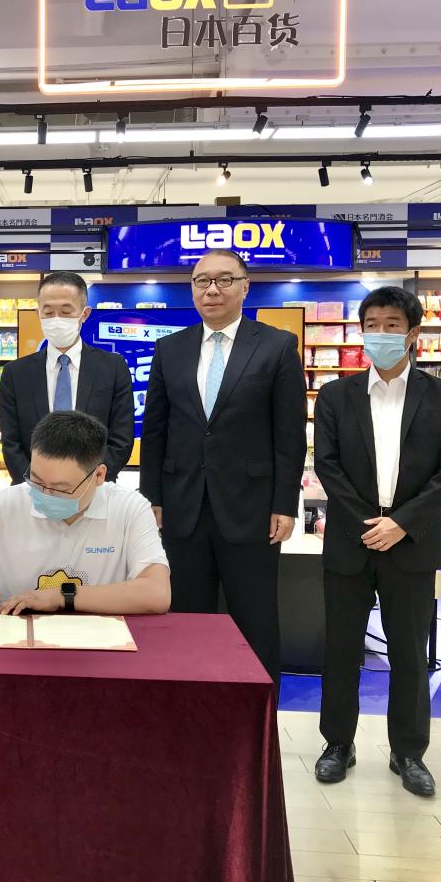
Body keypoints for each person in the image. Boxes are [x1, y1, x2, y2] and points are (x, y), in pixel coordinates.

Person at [312, 286, 441, 798]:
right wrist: (368, 522)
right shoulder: (336, 395)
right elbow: (327, 466)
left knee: (409, 652)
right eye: (372, 325)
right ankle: (338, 744)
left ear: (413, 333)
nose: (380, 333)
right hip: (350, 541)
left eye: (392, 325)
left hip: (411, 541)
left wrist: (400, 522)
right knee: (340, 649)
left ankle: (409, 752)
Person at [138, 249, 306, 688]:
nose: (212, 289)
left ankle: (259, 712)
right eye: (202, 281)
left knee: (255, 620)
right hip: (182, 507)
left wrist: (285, 504)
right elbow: (155, 430)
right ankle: (188, 709)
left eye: (224, 280)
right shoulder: (170, 348)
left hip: (252, 509)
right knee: (185, 619)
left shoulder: (276, 346)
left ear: (245, 287)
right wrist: (152, 497)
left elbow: (289, 434)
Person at [0, 411, 169, 615]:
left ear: (98, 476)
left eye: (60, 488)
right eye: (36, 481)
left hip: (98, 644)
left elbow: (157, 593)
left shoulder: (129, 509)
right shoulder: (5, 506)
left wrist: (62, 596)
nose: (45, 494)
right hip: (14, 642)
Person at [0, 271, 134, 484]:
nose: (56, 319)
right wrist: (38, 485)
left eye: (66, 311)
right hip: (32, 491)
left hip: (95, 488)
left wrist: (85, 483)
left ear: (84, 314)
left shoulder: (113, 367)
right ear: (38, 313)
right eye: (48, 312)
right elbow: (11, 442)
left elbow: (121, 439)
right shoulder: (16, 373)